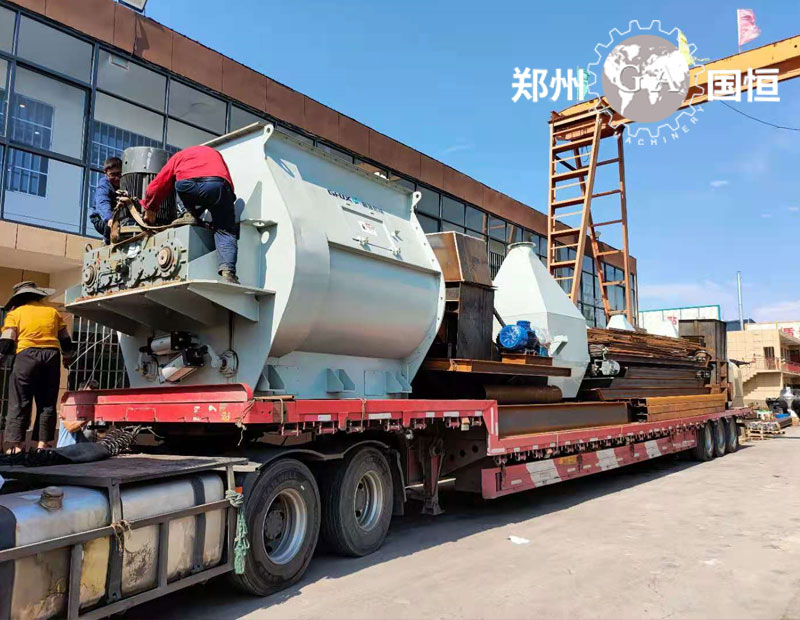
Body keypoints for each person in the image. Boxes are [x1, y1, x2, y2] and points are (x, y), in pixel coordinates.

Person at [130, 145, 239, 284]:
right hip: (221, 186)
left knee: (178, 181)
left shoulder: (179, 156)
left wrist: (150, 208)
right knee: (225, 231)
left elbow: (157, 185)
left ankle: (187, 214)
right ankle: (228, 272)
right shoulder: (214, 153)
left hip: (189, 185)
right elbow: (224, 181)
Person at [0, 281, 76, 453]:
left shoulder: (15, 313)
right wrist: (67, 357)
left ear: (18, 299)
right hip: (51, 356)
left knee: (20, 400)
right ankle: (44, 445)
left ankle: (17, 446)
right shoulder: (53, 312)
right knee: (47, 401)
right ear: (38, 296)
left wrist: (1, 357)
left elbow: (7, 339)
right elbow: (65, 339)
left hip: (26, 355)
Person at [89, 156, 122, 244]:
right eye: (112, 175)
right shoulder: (104, 185)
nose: (117, 178)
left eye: (119, 174)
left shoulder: (125, 183)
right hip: (101, 219)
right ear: (106, 173)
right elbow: (102, 202)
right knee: (110, 226)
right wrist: (109, 218)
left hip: (119, 219)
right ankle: (106, 242)